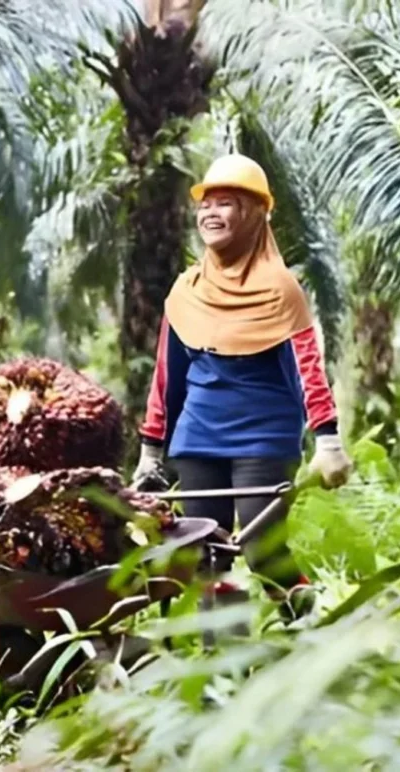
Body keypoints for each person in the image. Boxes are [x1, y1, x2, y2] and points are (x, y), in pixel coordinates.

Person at [130, 153, 353, 616]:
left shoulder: (281, 289)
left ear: (252, 214)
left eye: (226, 203)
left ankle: (310, 629)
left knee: (261, 550)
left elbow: (308, 368)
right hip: (197, 436)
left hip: (263, 437)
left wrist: (328, 439)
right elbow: (167, 377)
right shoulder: (186, 290)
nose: (211, 214)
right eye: (205, 205)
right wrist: (151, 451)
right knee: (205, 556)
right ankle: (222, 652)